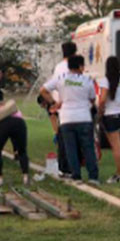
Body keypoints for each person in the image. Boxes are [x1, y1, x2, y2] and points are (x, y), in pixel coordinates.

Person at [40, 55, 99, 184]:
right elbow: (93, 98)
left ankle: (76, 176)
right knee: (88, 148)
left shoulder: (61, 78)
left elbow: (43, 90)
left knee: (70, 148)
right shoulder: (87, 80)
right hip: (83, 117)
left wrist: (54, 102)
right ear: (80, 67)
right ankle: (93, 176)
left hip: (67, 118)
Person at [97, 56, 120, 184]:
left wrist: (100, 112)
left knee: (115, 147)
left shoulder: (105, 80)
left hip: (112, 114)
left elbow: (102, 99)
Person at [0, 100, 30, 187]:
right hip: (19, 123)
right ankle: (25, 176)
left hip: (3, 125)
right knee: (22, 151)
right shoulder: (13, 108)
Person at [49, 42, 77, 176]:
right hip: (74, 106)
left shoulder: (58, 67)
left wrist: (55, 103)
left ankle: (63, 167)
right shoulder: (75, 67)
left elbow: (55, 86)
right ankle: (72, 167)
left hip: (61, 106)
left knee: (63, 139)